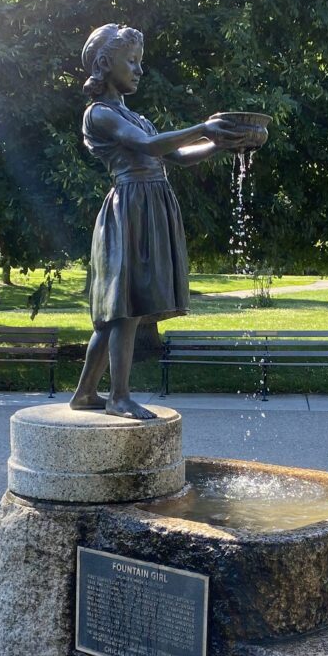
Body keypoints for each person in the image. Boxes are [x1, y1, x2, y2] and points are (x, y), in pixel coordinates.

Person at [69, 24, 255, 420]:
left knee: (118, 311)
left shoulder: (135, 116)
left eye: (140, 61)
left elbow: (177, 157)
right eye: (132, 61)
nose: (139, 69)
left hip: (151, 204)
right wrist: (202, 127)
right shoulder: (99, 114)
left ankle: (85, 394)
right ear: (105, 63)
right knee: (122, 308)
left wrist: (217, 143)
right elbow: (148, 147)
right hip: (129, 207)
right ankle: (118, 397)